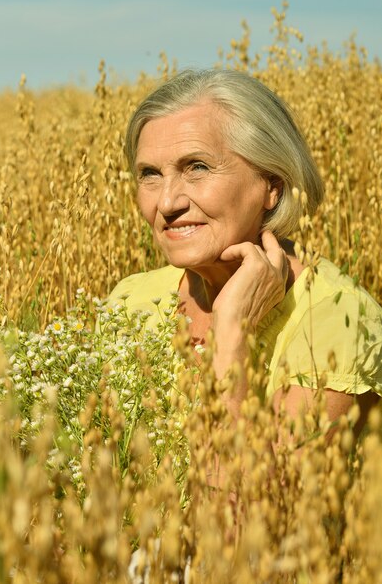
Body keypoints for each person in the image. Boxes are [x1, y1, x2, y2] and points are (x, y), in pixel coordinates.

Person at [109, 68, 382, 440]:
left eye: (197, 167)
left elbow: (247, 498)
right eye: (150, 174)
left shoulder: (336, 321)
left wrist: (233, 334)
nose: (167, 202)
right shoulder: (132, 302)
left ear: (272, 185)